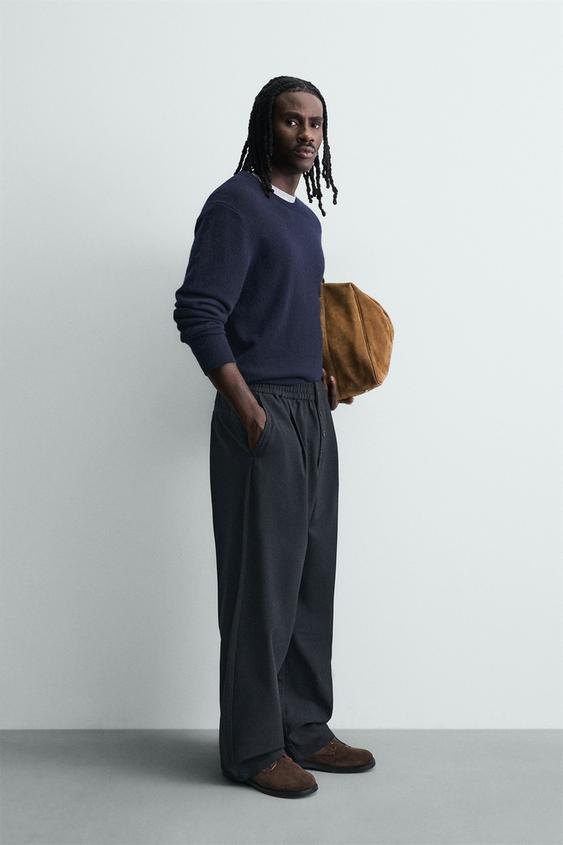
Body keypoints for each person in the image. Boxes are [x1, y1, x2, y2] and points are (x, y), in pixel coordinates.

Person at [173, 75, 375, 799]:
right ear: (266, 127)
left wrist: (324, 371)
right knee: (260, 586)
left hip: (312, 410)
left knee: (311, 577)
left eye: (316, 123)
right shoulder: (234, 205)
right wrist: (248, 408)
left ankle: (304, 728)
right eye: (292, 121)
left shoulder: (305, 222)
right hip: (260, 409)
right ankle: (253, 748)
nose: (306, 133)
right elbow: (198, 311)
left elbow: (290, 308)